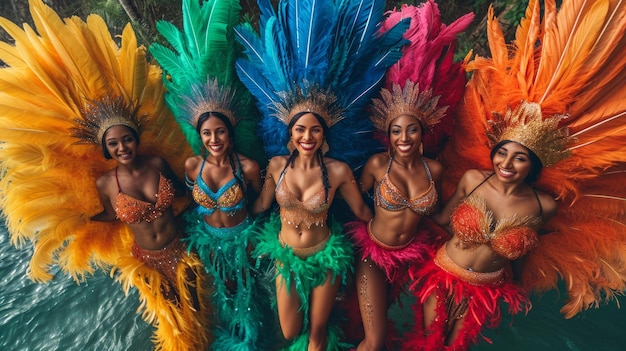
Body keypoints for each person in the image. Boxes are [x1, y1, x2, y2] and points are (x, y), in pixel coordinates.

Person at [406, 1, 626, 349]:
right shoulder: (473, 180)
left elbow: (526, 258)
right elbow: (440, 220)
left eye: (519, 158)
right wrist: (411, 200)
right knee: (426, 343)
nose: (507, 163)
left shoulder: (543, 206)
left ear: (532, 166)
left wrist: (516, 281)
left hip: (486, 288)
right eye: (502, 154)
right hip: (444, 271)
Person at [343, 3, 473, 350]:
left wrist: (470, 198)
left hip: (415, 257)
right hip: (373, 254)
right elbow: (353, 203)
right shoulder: (375, 165)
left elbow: (438, 217)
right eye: (397, 131)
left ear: (423, 132)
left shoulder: (437, 169)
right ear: (388, 133)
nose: (404, 138)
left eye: (411, 130)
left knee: (433, 336)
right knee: (373, 340)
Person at [77, 98, 212, 351]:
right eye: (113, 143)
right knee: (173, 318)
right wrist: (83, 219)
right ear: (106, 149)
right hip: (148, 261)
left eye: (126, 139)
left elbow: (183, 191)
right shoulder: (105, 184)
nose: (122, 147)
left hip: (181, 248)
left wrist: (208, 184)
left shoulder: (157, 164)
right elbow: (111, 214)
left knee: (196, 307)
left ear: (136, 139)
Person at [251, 109, 372, 351]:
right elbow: (262, 204)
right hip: (287, 255)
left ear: (324, 134)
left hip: (325, 256)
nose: (308, 136)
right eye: (300, 129)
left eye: (315, 129)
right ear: (291, 133)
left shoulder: (338, 170)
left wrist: (393, 233)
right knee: (290, 331)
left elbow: (361, 210)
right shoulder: (276, 165)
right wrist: (230, 219)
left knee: (317, 331)